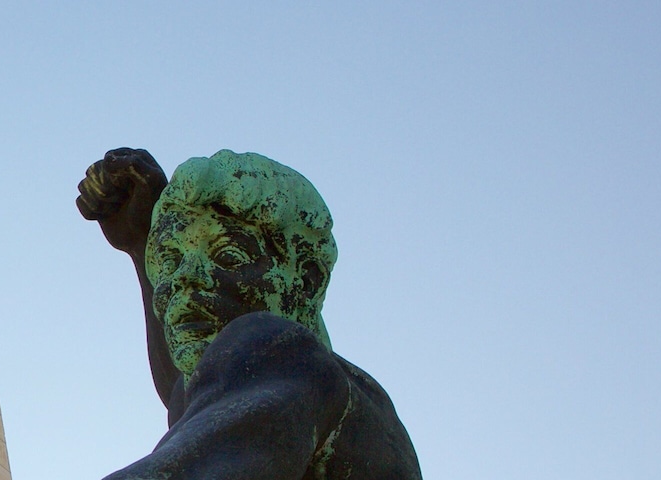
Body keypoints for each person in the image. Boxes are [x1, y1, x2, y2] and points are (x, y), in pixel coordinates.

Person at [78, 148, 422, 479]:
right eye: (169, 262)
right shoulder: (298, 394)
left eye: (228, 256)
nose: (184, 278)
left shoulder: (290, 359)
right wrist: (142, 246)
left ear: (305, 279)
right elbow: (191, 390)